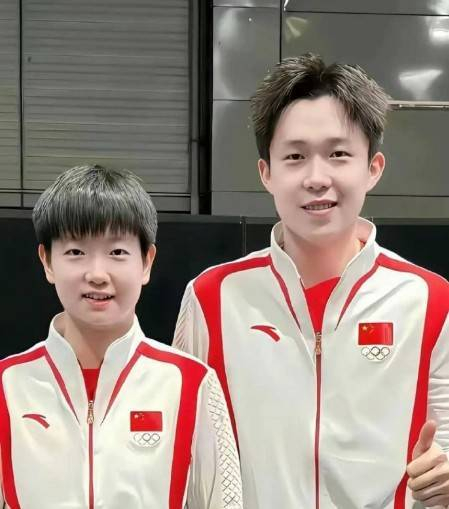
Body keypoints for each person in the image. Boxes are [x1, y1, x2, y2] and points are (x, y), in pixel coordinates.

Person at [173, 54, 449, 508]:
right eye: (295, 157)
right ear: (267, 173)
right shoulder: (214, 297)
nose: (317, 178)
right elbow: (185, 456)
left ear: (373, 167)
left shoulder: (429, 300)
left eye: (338, 154)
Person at [0, 165, 242, 509]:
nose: (97, 274)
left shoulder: (191, 384)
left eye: (116, 252)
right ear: (47, 261)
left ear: (146, 261)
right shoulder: (8, 385)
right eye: (75, 252)